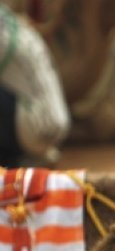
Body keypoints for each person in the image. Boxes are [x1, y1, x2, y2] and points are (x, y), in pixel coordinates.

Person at [0, 4, 70, 167]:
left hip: (33, 126)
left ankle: (11, 160)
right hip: (56, 125)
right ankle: (30, 156)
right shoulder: (11, 21)